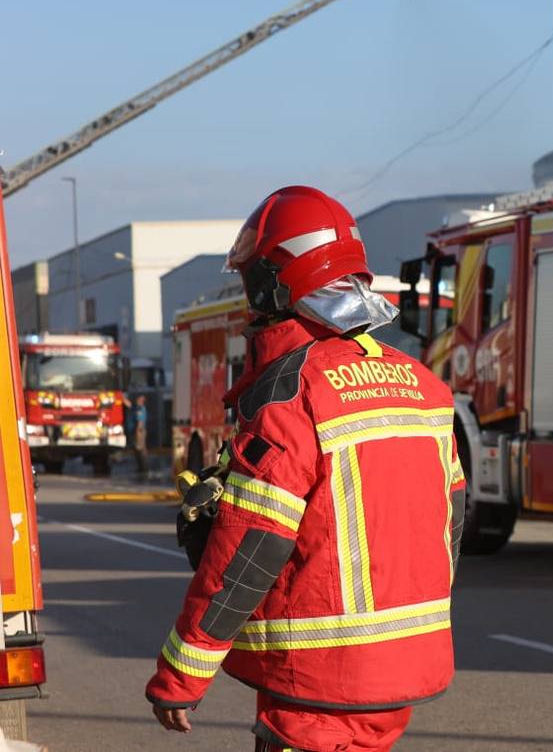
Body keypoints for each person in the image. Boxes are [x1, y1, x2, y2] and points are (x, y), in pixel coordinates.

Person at [145, 186, 465, 751]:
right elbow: (450, 525)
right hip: (403, 672)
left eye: (253, 283)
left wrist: (181, 675)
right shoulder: (425, 387)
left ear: (273, 282)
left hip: (318, 682)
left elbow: (251, 549)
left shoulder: (291, 395)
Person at [129, 394, 149, 474]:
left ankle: (143, 468)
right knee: (138, 449)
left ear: (142, 401)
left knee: (140, 449)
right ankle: (141, 467)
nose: (137, 400)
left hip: (139, 431)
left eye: (139, 399)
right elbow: (129, 405)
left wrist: (138, 434)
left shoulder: (140, 409)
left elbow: (140, 423)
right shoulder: (136, 408)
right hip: (138, 431)